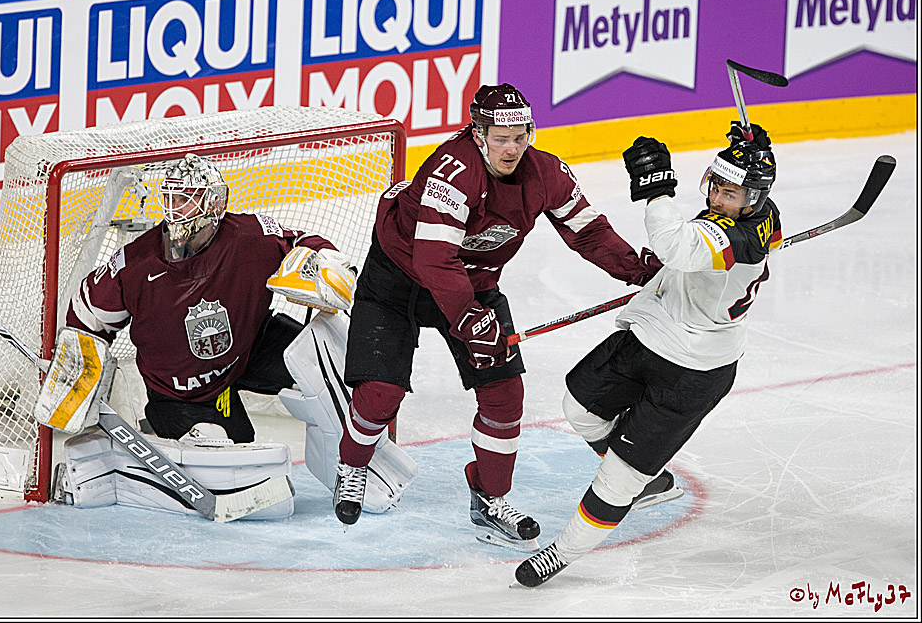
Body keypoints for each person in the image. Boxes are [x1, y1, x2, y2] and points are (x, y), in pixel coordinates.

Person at [331, 83, 662, 551]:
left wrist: (642, 270)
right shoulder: (453, 170)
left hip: (475, 285)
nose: (512, 147)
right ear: (478, 133)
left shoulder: (546, 172)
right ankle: (353, 464)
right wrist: (469, 320)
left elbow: (588, 233)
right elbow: (434, 260)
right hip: (399, 277)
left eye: (520, 135)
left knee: (505, 395)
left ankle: (489, 497)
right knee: (380, 391)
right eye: (499, 136)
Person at [59, 153, 416, 516]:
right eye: (170, 196)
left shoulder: (251, 237)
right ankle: (127, 466)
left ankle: (354, 463)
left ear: (214, 202)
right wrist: (77, 369)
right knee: (234, 464)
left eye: (186, 197)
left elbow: (304, 241)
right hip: (179, 393)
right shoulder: (133, 264)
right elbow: (84, 318)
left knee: (327, 354)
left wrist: (327, 264)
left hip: (249, 348)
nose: (174, 207)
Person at [514, 123, 781, 586]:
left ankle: (562, 551)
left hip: (694, 370)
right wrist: (753, 151)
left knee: (617, 480)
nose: (718, 198)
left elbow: (674, 244)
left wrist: (657, 190)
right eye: (717, 185)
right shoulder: (760, 214)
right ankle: (648, 477)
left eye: (731, 193)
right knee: (578, 405)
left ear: (753, 199)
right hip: (652, 333)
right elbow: (691, 247)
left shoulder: (736, 240)